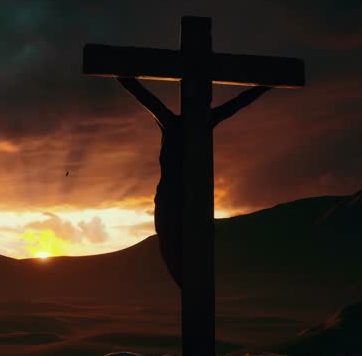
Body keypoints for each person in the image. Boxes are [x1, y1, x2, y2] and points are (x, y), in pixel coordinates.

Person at [116, 77, 270, 288]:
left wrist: (121, 75)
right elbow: (241, 101)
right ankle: (192, 291)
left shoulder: (177, 122)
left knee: (186, 261)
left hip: (184, 203)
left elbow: (143, 95)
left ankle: (194, 293)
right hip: (181, 203)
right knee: (181, 260)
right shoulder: (189, 122)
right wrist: (266, 85)